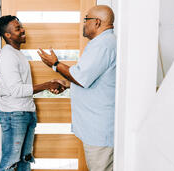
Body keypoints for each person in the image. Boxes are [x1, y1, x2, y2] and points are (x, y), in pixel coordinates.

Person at [37, 5, 116, 171]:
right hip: (95, 128)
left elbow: (81, 77)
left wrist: (55, 64)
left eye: (86, 19)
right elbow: (90, 78)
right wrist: (67, 84)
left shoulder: (103, 45)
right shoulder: (102, 43)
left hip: (99, 132)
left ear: (97, 22)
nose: (83, 24)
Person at [0, 15, 65, 171]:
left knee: (25, 161)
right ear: (7, 35)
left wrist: (51, 83)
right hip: (14, 115)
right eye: (18, 29)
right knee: (10, 163)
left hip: (25, 112)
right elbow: (17, 90)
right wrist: (47, 85)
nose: (23, 30)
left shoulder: (17, 54)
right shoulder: (8, 56)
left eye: (21, 26)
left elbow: (22, 86)